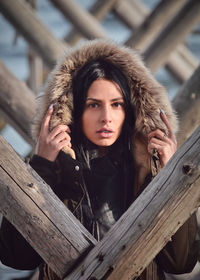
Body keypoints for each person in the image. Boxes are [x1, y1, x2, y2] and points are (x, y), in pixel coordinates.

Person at [0, 39, 198, 280]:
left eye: (116, 105)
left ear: (130, 110)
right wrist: (42, 167)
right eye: (93, 105)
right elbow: (16, 258)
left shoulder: (147, 169)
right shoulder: (54, 168)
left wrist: (171, 175)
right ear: (75, 109)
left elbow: (181, 263)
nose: (106, 118)